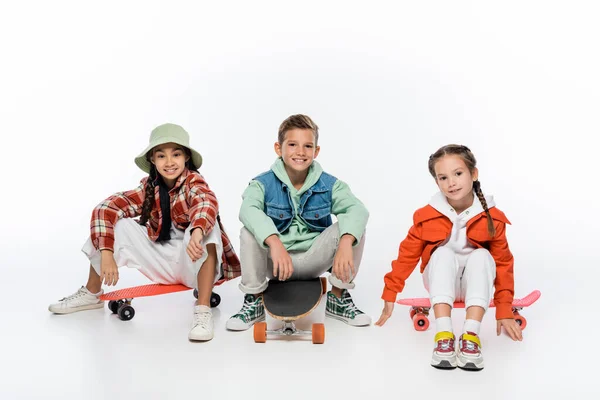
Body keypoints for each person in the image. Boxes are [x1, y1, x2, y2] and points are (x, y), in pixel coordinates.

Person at [48, 123, 240, 341]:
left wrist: (197, 231)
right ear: (152, 160)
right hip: (163, 262)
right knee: (112, 224)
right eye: (161, 156)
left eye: (176, 154)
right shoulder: (149, 188)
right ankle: (92, 293)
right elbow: (106, 208)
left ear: (186, 157)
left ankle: (203, 310)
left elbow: (206, 201)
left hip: (194, 263)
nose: (169, 162)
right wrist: (107, 251)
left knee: (209, 226)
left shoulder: (193, 182)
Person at [375, 144, 522, 371]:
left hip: (477, 282)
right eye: (443, 177)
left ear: (474, 174)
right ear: (437, 182)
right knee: (442, 253)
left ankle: (470, 337)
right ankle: (443, 334)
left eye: (458, 174)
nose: (451, 182)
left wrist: (504, 309)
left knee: (482, 255)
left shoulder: (494, 218)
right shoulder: (427, 216)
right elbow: (407, 255)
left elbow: (502, 263)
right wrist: (390, 292)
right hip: (440, 280)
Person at [226, 114, 371, 331]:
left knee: (353, 227)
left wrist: (345, 241)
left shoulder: (330, 184)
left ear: (316, 151)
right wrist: (274, 243)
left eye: (307, 146)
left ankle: (338, 298)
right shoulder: (261, 183)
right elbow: (248, 210)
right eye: (292, 145)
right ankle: (254, 300)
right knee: (248, 231)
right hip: (276, 263)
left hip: (313, 260)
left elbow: (357, 209)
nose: (300, 152)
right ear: (278, 148)